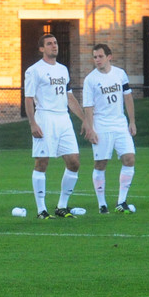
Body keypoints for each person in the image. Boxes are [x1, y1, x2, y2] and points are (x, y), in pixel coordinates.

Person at [25, 34, 90, 219]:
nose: (54, 46)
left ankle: (62, 206)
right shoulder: (34, 71)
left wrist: (84, 119)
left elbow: (69, 97)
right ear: (41, 49)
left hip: (64, 119)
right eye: (49, 44)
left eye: (55, 43)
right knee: (42, 163)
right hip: (45, 118)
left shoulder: (62, 70)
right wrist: (33, 123)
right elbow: (28, 98)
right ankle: (41, 210)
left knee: (74, 162)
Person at [82, 43, 137, 214]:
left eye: (100, 56)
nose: (97, 60)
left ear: (109, 57)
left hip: (120, 124)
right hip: (101, 126)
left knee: (129, 159)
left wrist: (132, 121)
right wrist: (90, 129)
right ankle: (102, 204)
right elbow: (88, 107)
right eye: (95, 57)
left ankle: (121, 201)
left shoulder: (120, 74)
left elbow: (128, 98)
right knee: (101, 163)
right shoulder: (90, 80)